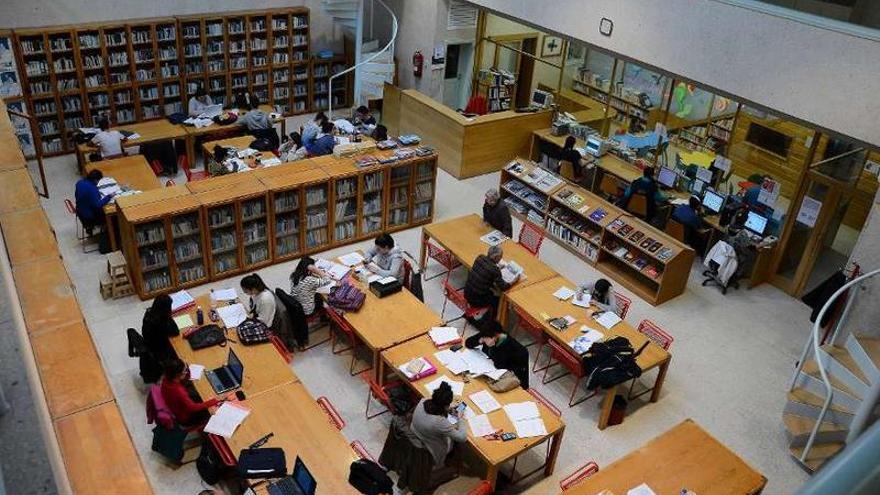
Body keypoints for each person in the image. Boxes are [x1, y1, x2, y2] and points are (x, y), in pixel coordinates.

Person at [410, 382, 467, 467]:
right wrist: (460, 418)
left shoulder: (423, 401)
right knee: (456, 438)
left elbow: (435, 410)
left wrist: (447, 410)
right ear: (445, 406)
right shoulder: (439, 422)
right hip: (430, 448)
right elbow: (462, 438)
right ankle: (451, 461)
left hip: (415, 432)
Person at [464, 320, 529, 389]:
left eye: (486, 338)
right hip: (486, 371)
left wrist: (493, 347)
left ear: (496, 336)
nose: (485, 340)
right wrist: (479, 340)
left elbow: (499, 365)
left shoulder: (517, 350)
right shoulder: (487, 333)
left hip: (507, 380)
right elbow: (468, 343)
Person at [160, 358, 225, 426]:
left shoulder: (166, 378)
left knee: (203, 395)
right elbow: (193, 408)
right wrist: (215, 400)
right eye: (185, 370)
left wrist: (185, 371)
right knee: (216, 407)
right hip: (187, 418)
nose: (187, 371)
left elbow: (184, 377)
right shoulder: (178, 391)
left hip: (178, 407)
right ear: (179, 374)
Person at [464, 245, 518, 316]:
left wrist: (498, 269)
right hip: (476, 300)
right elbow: (503, 287)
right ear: (496, 257)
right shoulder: (495, 270)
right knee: (498, 301)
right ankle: (493, 319)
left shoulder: (480, 257)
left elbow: (486, 271)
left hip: (467, 292)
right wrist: (514, 281)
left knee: (491, 291)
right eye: (500, 257)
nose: (500, 259)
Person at [140, 294, 180, 383]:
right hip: (160, 350)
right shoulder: (160, 322)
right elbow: (176, 332)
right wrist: (169, 316)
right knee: (182, 348)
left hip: (151, 344)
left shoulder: (149, 312)